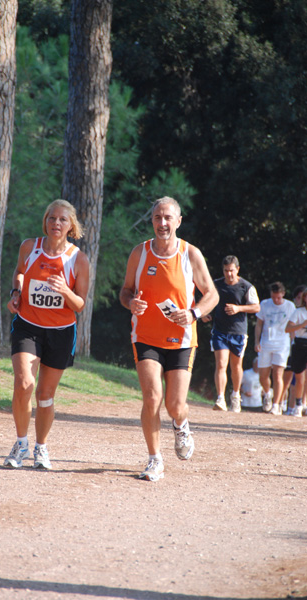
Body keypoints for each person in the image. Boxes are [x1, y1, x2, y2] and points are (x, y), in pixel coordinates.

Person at [119, 196, 218, 482]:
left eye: (167, 218)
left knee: (175, 404)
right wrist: (130, 304)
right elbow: (125, 291)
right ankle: (155, 459)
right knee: (152, 397)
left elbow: (212, 294)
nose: (162, 223)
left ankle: (181, 423)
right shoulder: (140, 253)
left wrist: (194, 313)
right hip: (146, 336)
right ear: (152, 221)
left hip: (181, 339)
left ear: (178, 221)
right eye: (157, 218)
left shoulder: (190, 254)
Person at [3, 199, 89, 469]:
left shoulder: (78, 259)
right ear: (46, 221)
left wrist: (65, 290)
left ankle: (41, 447)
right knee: (24, 383)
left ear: (71, 226)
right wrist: (16, 293)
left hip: (61, 332)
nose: (56, 223)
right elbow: (19, 272)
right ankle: (20, 444)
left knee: (45, 393)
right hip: (28, 325)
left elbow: (80, 304)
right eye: (52, 218)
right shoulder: (30, 247)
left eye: (63, 220)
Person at [203, 255, 260, 412]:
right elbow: (206, 301)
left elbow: (256, 307)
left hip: (238, 332)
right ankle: (220, 398)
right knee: (221, 364)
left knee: (236, 366)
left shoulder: (246, 287)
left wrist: (238, 308)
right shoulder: (216, 285)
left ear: (238, 269)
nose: (229, 274)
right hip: (219, 331)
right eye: (226, 271)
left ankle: (235, 396)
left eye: (232, 271)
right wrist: (204, 314)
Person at [254, 282, 295, 415]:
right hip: (266, 342)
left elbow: (292, 325)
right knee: (263, 375)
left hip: (282, 343)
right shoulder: (264, 304)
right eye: (273, 297)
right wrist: (257, 341)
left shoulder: (290, 306)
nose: (276, 300)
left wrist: (293, 342)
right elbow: (259, 324)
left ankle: (276, 405)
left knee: (277, 374)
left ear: (283, 294)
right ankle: (267, 393)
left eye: (278, 297)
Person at [280, 285, 307, 415]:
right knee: (299, 376)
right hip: (300, 344)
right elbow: (287, 329)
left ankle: (304, 403)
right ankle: (298, 404)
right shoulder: (298, 312)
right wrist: (302, 325)